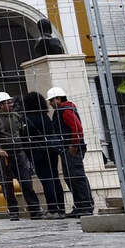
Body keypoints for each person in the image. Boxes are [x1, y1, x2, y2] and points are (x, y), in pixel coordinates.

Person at [0, 91, 42, 220]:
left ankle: (35, 209)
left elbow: (22, 132)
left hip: (19, 153)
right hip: (5, 156)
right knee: (7, 184)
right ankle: (13, 211)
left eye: (10, 102)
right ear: (0, 105)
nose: (11, 104)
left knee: (26, 182)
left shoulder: (16, 116)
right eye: (7, 103)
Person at [47, 86, 94, 217]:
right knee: (70, 177)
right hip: (67, 147)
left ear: (58, 99)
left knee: (77, 177)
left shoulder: (66, 111)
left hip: (71, 148)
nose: (50, 104)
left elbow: (77, 128)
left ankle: (86, 206)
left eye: (51, 100)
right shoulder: (63, 110)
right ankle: (80, 206)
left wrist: (74, 145)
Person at [21, 90, 65, 216]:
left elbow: (26, 138)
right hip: (51, 151)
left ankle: (53, 209)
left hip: (38, 152)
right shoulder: (45, 116)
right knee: (55, 178)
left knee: (46, 181)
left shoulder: (28, 118)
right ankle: (60, 207)